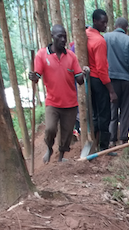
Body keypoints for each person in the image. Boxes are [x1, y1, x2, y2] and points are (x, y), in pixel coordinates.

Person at [29, 24, 87, 163]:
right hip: (53, 102)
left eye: (64, 36)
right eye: (59, 36)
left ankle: (61, 157)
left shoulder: (71, 56)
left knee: (67, 133)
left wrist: (84, 74)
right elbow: (37, 75)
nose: (63, 39)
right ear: (52, 37)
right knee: (50, 129)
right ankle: (49, 148)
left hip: (70, 103)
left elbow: (79, 81)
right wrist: (34, 77)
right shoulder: (42, 54)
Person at [104, 17, 129, 146]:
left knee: (112, 110)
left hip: (110, 80)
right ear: (126, 28)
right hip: (126, 80)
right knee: (125, 110)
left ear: (115, 26)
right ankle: (123, 139)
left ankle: (111, 140)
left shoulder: (105, 38)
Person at [86, 9, 117, 151]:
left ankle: (95, 142)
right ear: (95, 21)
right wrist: (111, 90)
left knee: (94, 113)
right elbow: (102, 69)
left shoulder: (86, 35)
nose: (105, 25)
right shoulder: (99, 41)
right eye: (103, 22)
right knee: (104, 114)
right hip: (98, 80)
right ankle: (103, 146)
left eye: (106, 22)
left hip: (89, 81)